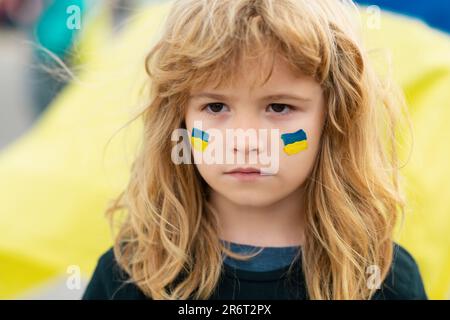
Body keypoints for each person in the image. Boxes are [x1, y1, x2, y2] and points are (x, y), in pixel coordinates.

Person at [82, 0, 427, 300]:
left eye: (279, 107)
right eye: (216, 107)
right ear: (180, 119)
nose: (245, 141)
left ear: (334, 118)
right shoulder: (132, 274)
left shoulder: (382, 278)